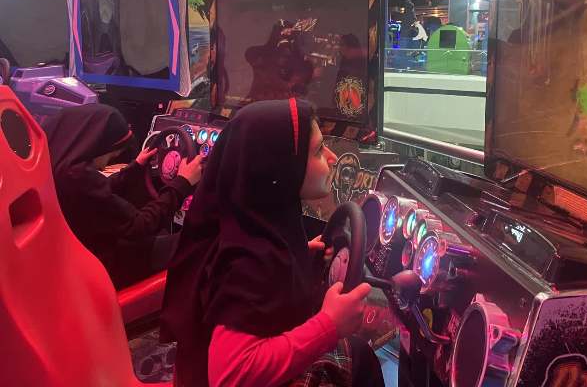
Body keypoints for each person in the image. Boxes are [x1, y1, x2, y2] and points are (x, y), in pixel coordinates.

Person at [160, 98, 385, 387]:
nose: (332, 158)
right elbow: (230, 375)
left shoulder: (247, 227)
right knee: (358, 355)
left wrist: (296, 259)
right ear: (280, 168)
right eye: (318, 150)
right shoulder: (252, 262)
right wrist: (329, 324)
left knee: (357, 352)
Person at [43, 103, 203, 288]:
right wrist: (182, 183)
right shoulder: (77, 178)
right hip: (104, 268)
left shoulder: (57, 166)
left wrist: (136, 167)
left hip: (77, 257)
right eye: (113, 155)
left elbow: (99, 195)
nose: (107, 162)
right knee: (196, 243)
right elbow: (140, 225)